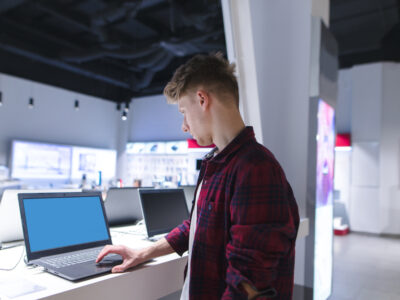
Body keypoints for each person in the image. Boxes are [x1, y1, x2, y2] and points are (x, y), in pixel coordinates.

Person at [97, 53, 300, 300]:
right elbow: (197, 227)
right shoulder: (217, 163)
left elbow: (249, 286)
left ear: (202, 99)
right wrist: (144, 253)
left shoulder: (256, 169)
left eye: (184, 111)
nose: (184, 125)